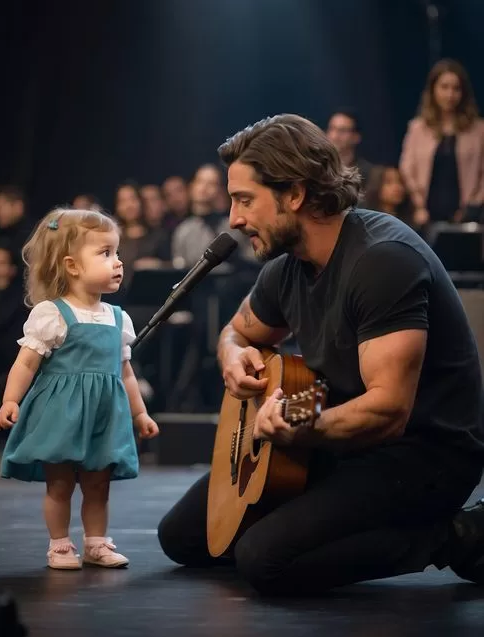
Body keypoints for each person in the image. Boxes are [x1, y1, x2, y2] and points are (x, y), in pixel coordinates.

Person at [157, 113, 484, 596]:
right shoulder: (286, 268)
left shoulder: (383, 261)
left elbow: (388, 411)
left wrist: (298, 426)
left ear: (294, 194)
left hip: (422, 456)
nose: (234, 219)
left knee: (263, 560)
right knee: (183, 538)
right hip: (339, 440)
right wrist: (232, 356)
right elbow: (237, 333)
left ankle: (453, 537)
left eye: (245, 200)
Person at [0, 208, 159, 570]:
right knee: (60, 484)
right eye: (105, 254)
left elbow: (125, 371)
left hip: (103, 414)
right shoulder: (52, 314)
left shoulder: (118, 318)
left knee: (99, 483)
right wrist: (10, 399)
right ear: (72, 266)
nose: (118, 263)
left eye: (117, 253)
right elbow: (26, 362)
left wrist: (139, 412)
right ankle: (59, 545)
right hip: (63, 414)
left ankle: (97, 542)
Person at [399, 59, 484, 228]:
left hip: (467, 216)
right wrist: (419, 206)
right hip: (425, 217)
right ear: (433, 89)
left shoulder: (479, 129)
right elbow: (407, 169)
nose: (450, 95)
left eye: (456, 88)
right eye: (444, 87)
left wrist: (471, 207)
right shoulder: (418, 127)